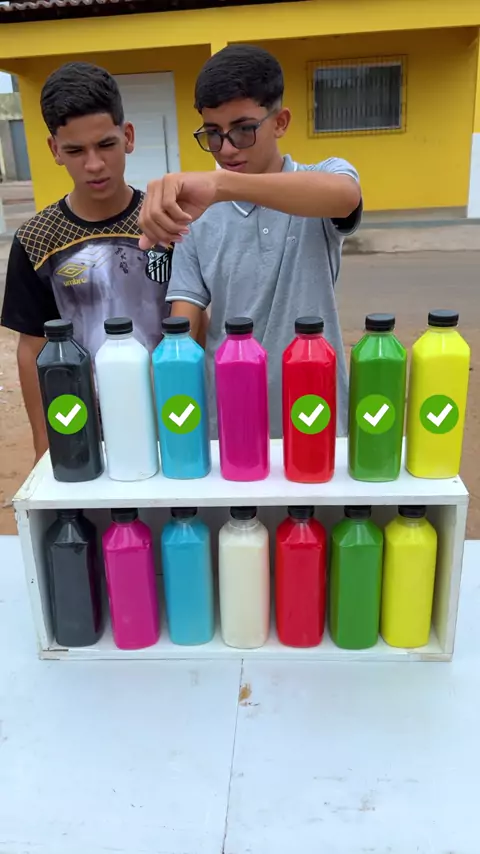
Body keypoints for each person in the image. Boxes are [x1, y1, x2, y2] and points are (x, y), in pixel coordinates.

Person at [138, 43, 362, 440]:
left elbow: (345, 196)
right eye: (212, 134)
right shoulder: (197, 214)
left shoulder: (321, 178)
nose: (226, 149)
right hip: (231, 420)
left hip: (313, 410)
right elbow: (186, 317)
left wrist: (222, 185)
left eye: (244, 129)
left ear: (280, 122)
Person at [0, 61, 175, 463]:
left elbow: (196, 319)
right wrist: (45, 445)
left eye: (106, 145)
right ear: (54, 150)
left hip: (171, 417)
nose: (94, 164)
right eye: (76, 150)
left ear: (128, 137)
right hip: (83, 427)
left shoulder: (167, 223)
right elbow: (33, 348)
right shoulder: (36, 239)